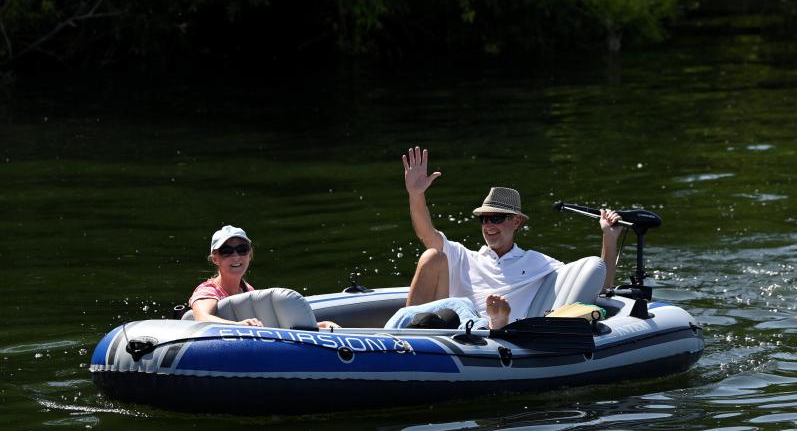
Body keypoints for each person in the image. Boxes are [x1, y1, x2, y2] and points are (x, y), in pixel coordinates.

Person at [392, 146, 624, 328]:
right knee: (432, 256)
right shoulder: (464, 256)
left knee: (469, 311)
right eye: (484, 219)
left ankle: (494, 325)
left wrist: (609, 237)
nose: (489, 225)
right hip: (450, 330)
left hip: (492, 340)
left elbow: (601, 284)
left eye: (497, 218)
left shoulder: (539, 263)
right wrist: (416, 194)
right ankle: (403, 337)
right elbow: (425, 233)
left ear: (516, 222)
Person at [188, 225, 339, 329]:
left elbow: (271, 325)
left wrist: (320, 326)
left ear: (250, 255)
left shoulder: (247, 290)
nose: (236, 256)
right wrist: (238, 325)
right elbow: (202, 318)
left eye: (242, 250)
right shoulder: (208, 291)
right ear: (215, 259)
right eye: (227, 251)